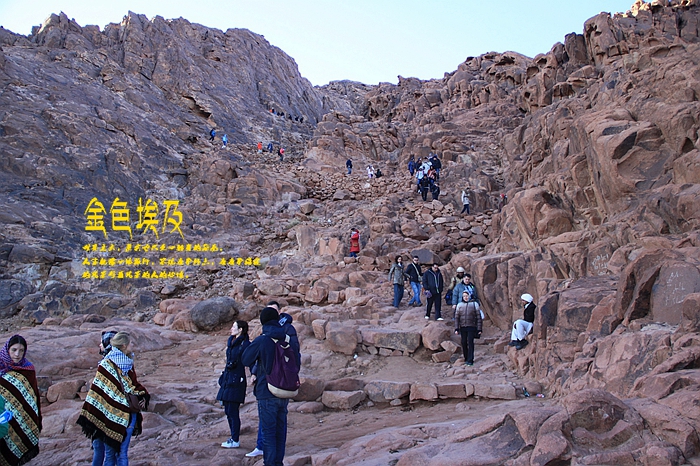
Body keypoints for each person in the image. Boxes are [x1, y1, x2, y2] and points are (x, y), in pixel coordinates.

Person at [77, 332, 149, 466]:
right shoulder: (126, 364)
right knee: (121, 454)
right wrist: (142, 394)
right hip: (127, 413)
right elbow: (133, 386)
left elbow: (97, 392)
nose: (133, 345)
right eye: (130, 343)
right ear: (124, 345)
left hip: (110, 416)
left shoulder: (106, 364)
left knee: (111, 455)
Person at [242, 307, 301, 466]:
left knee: (268, 433)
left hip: (266, 391)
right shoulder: (288, 338)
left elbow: (246, 359)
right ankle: (278, 463)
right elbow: (297, 361)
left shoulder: (263, 339)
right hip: (284, 391)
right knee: (280, 432)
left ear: (262, 322)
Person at [0, 335, 42, 465]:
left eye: (21, 350)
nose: (17, 354)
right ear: (7, 349)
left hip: (19, 418)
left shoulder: (28, 369)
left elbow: (32, 398)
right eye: (14, 350)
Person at [217, 321, 251, 449]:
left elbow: (251, 360)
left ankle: (235, 439)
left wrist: (253, 374)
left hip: (237, 380)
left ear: (241, 330)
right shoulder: (231, 343)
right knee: (228, 410)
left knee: (232, 411)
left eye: (234, 327)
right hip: (227, 379)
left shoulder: (245, 344)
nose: (231, 329)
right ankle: (233, 437)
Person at [89, 330, 119, 466]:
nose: (99, 345)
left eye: (102, 342)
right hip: (107, 413)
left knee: (101, 450)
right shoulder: (116, 361)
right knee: (107, 452)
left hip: (101, 412)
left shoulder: (106, 363)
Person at [454, 290, 482, 366]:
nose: (466, 297)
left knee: (470, 342)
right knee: (463, 342)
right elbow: (457, 318)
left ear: (469, 296)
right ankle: (466, 357)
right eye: (464, 296)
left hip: (471, 326)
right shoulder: (459, 305)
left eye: (467, 296)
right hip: (463, 327)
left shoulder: (474, 304)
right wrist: (456, 328)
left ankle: (470, 359)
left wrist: (479, 329)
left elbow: (478, 317)